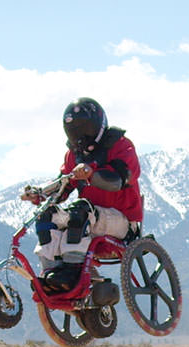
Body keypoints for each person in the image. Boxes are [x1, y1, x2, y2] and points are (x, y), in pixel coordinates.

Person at [22, 97, 143, 292]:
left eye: (84, 129)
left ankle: (71, 272)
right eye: (74, 131)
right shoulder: (73, 156)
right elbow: (62, 187)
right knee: (48, 215)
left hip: (122, 222)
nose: (80, 136)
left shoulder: (120, 145)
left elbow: (120, 179)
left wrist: (91, 174)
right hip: (91, 219)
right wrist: (39, 195)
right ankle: (51, 272)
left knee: (80, 211)